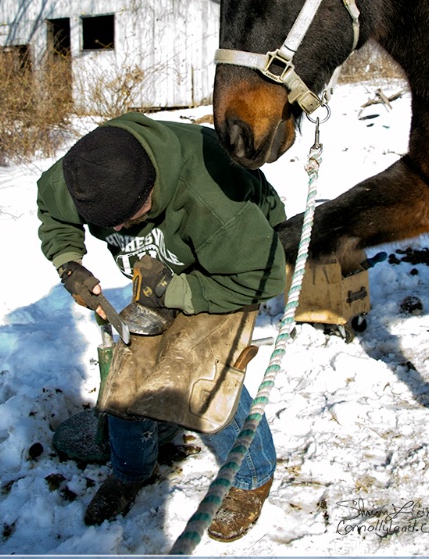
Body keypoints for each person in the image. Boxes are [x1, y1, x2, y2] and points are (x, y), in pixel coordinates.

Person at [37, 112, 286, 541]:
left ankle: (251, 476)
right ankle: (132, 470)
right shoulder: (87, 173)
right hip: (160, 267)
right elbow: (54, 214)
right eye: (108, 225)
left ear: (151, 188)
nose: (115, 231)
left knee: (205, 369)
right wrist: (68, 264)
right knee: (130, 361)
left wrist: (177, 292)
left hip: (233, 263)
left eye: (127, 220)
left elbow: (261, 277)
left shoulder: (212, 199)